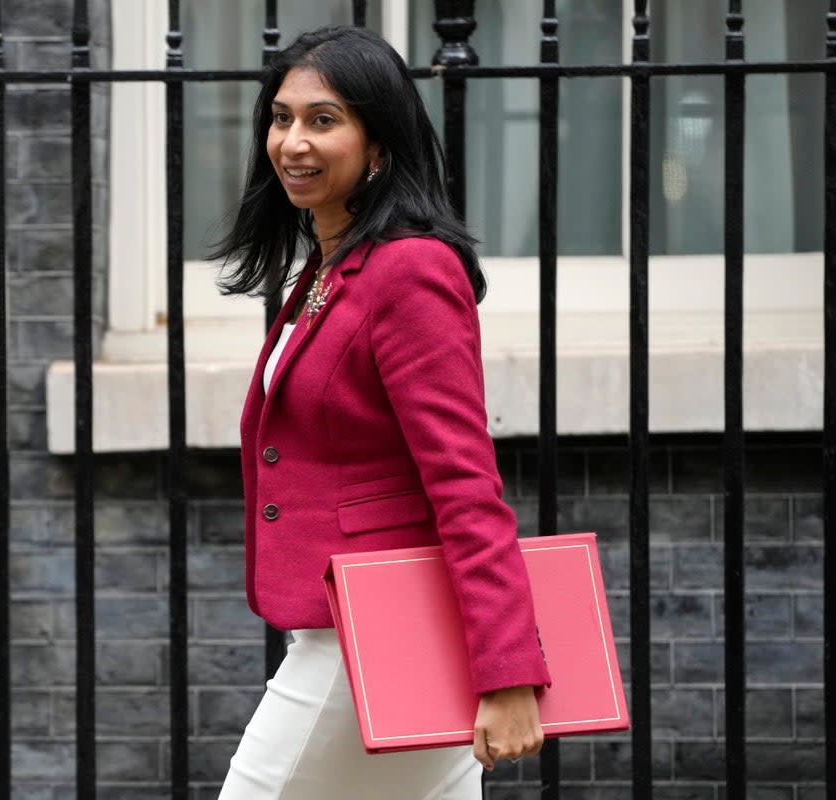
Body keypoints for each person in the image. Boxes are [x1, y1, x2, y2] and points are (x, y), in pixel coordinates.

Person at [210, 25, 550, 799]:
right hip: (360, 622)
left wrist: (508, 671)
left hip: (370, 632)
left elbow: (463, 480)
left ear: (380, 147)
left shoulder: (410, 271)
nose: (293, 141)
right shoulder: (331, 270)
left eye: (324, 120)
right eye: (282, 117)